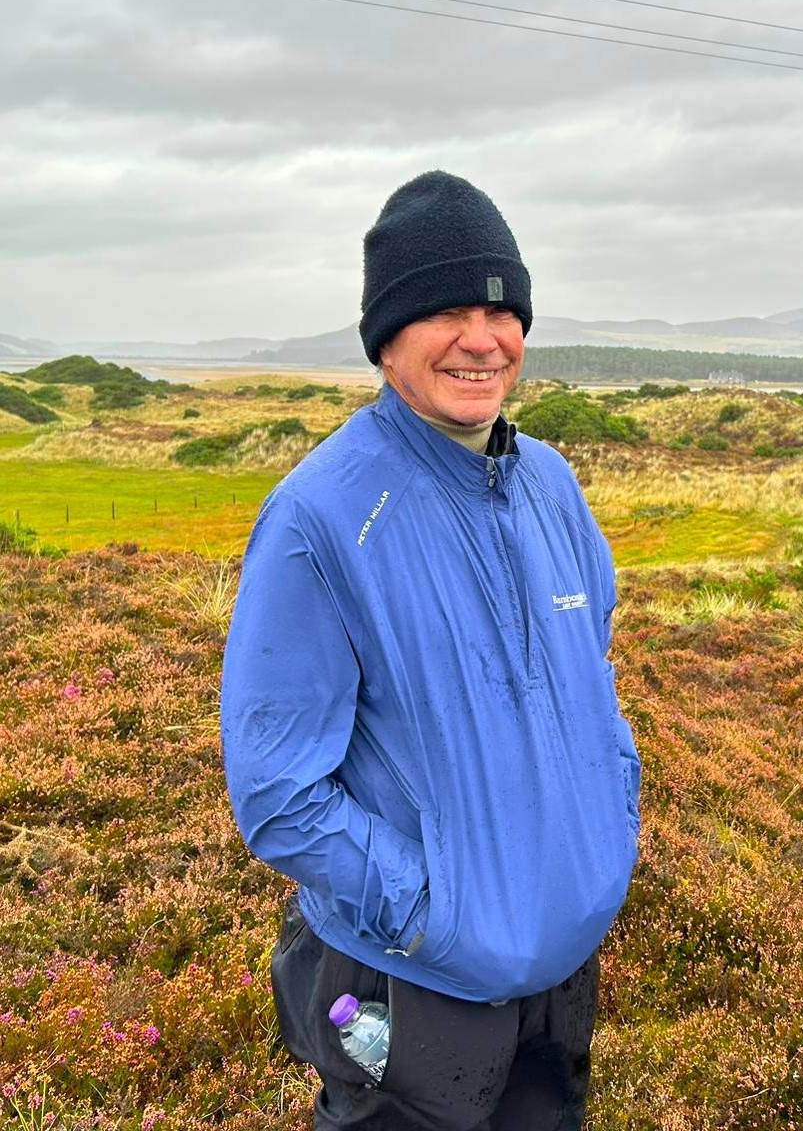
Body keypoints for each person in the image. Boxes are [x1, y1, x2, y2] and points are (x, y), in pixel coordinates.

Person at [221, 171, 641, 1130]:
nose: (481, 339)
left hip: (561, 975)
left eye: (501, 312)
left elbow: (592, 685)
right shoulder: (321, 516)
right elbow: (278, 795)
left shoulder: (550, 485)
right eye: (446, 311)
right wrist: (441, 910)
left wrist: (608, 829)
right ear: (387, 336)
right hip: (416, 986)